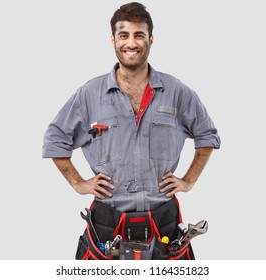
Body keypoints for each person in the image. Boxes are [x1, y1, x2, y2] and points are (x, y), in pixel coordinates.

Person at [42, 2, 220, 260]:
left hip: (164, 221)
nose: (131, 43)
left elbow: (207, 136)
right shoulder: (89, 95)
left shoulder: (177, 92)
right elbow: (55, 140)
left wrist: (188, 180)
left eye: (139, 35)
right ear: (113, 40)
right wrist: (78, 183)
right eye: (124, 35)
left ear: (150, 39)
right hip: (106, 222)